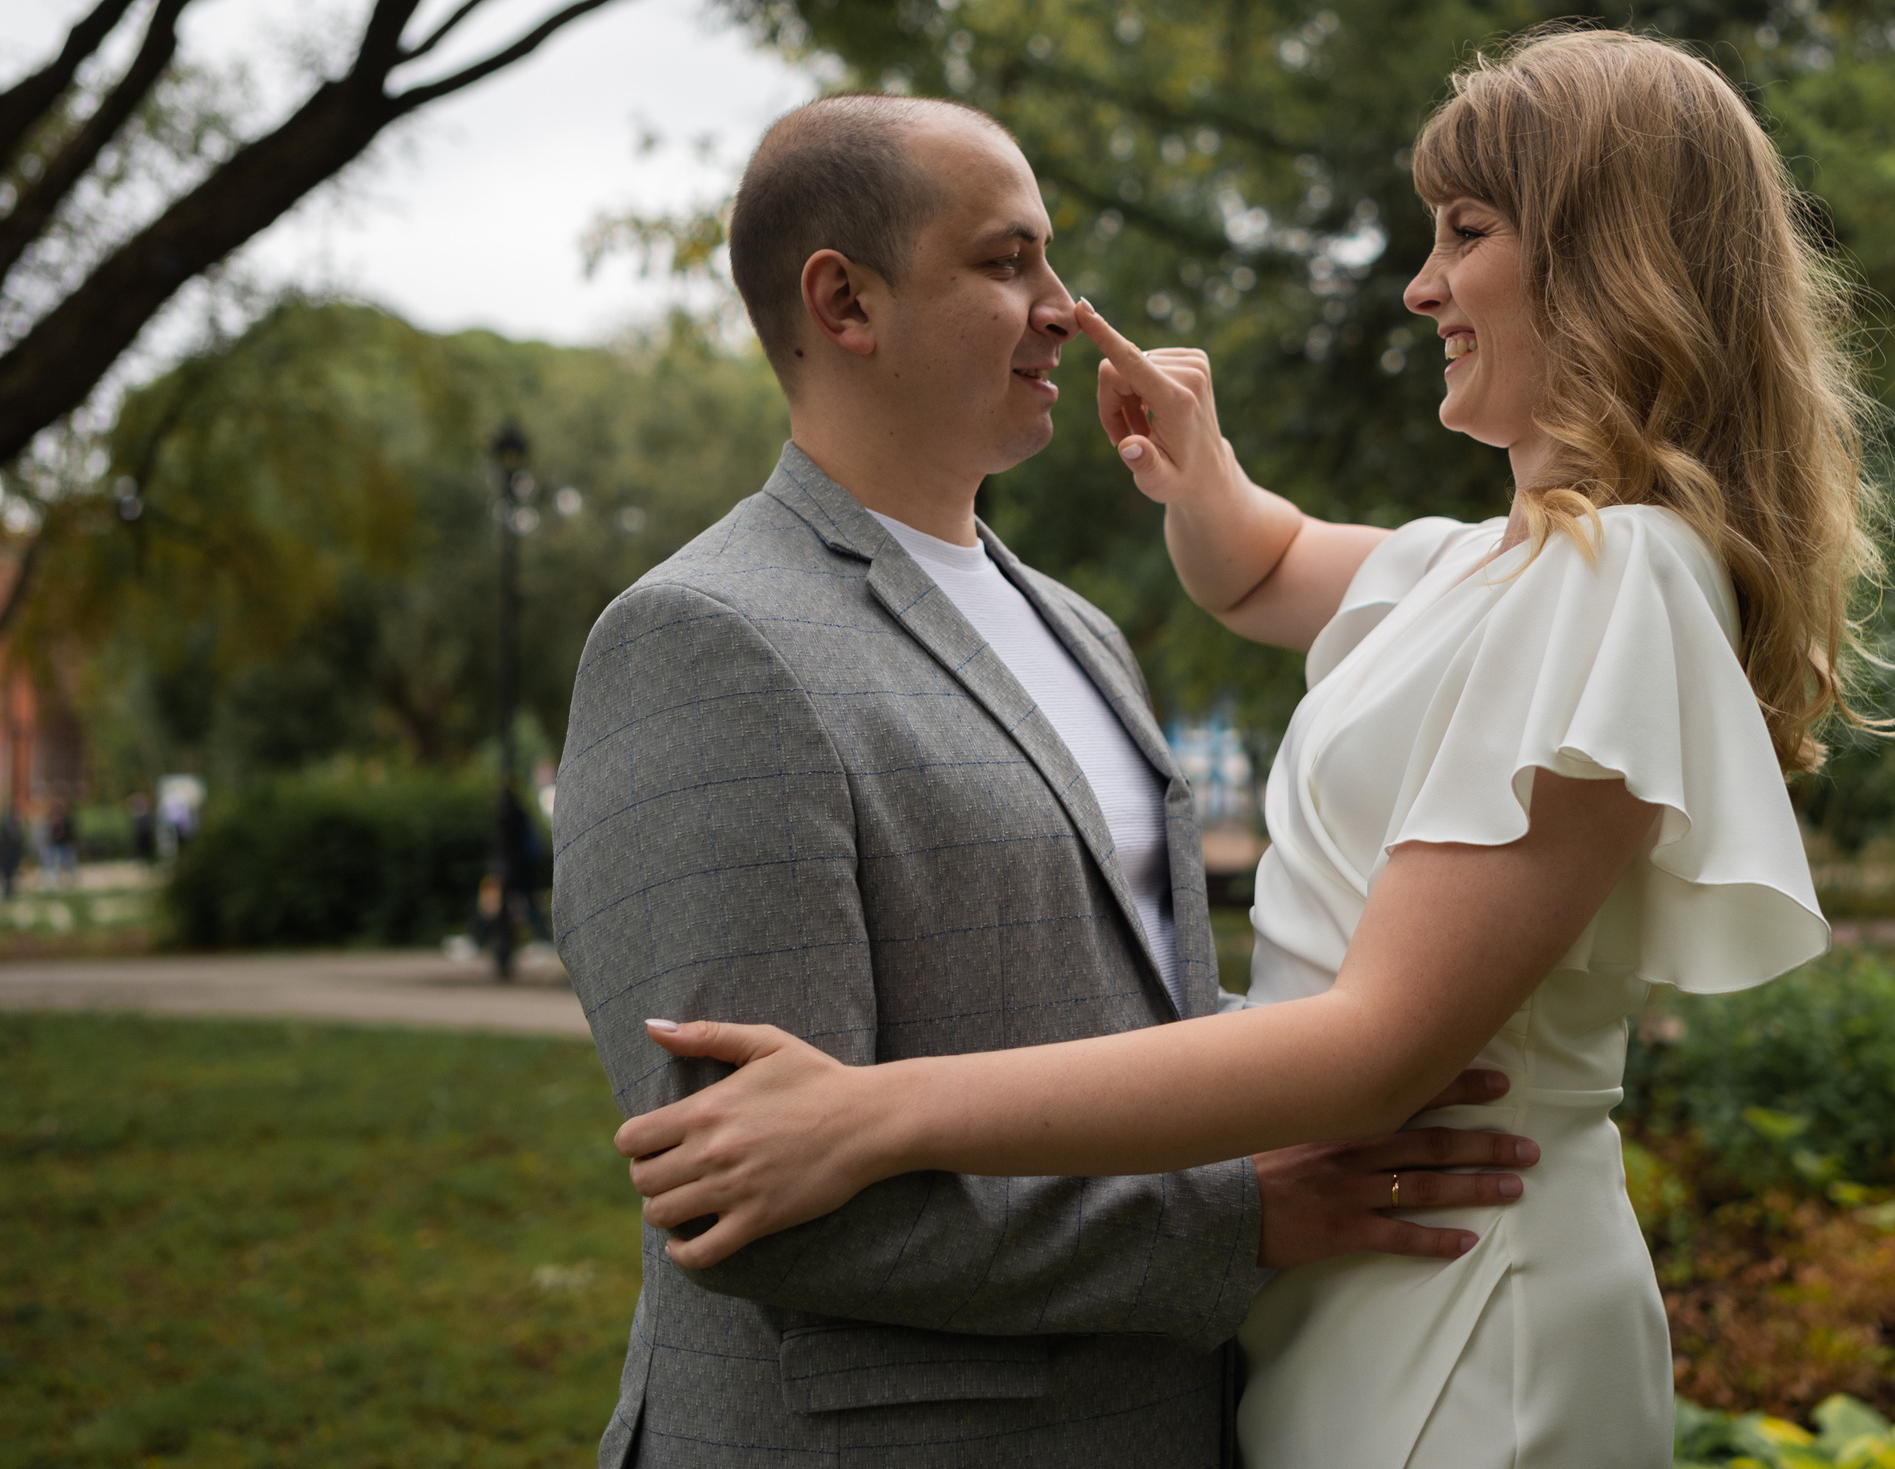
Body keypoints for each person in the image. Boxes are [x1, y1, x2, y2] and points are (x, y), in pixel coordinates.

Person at [617, 28, 1875, 1466]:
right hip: (1362, 1300)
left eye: (1466, 234)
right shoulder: (1495, 573)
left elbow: (1372, 1049)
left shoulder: (1617, 578)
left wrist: (871, 1115)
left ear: (1603, 260)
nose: (1421, 285)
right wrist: (1195, 465)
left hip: (1473, 1304)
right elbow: (1262, 569)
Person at [550, 93, 1538, 1469]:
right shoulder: (705, 642)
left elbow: (1143, 1005)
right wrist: (1235, 1220)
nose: (1065, 310)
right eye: (1007, 262)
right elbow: (747, 1195)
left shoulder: (1079, 631)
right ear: (844, 301)